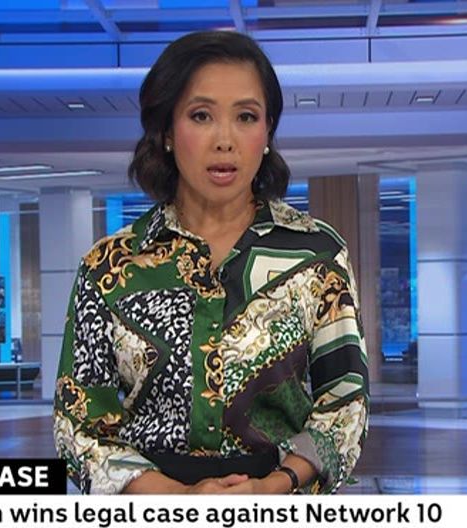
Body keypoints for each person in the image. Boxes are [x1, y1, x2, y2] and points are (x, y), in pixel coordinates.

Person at [53, 31, 368, 496]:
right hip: (147, 515)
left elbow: (346, 407)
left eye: (246, 117)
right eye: (201, 116)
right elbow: (78, 424)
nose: (225, 140)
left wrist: (268, 489)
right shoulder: (109, 267)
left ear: (267, 132)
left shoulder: (317, 256)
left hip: (279, 509)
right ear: (166, 131)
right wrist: (179, 499)